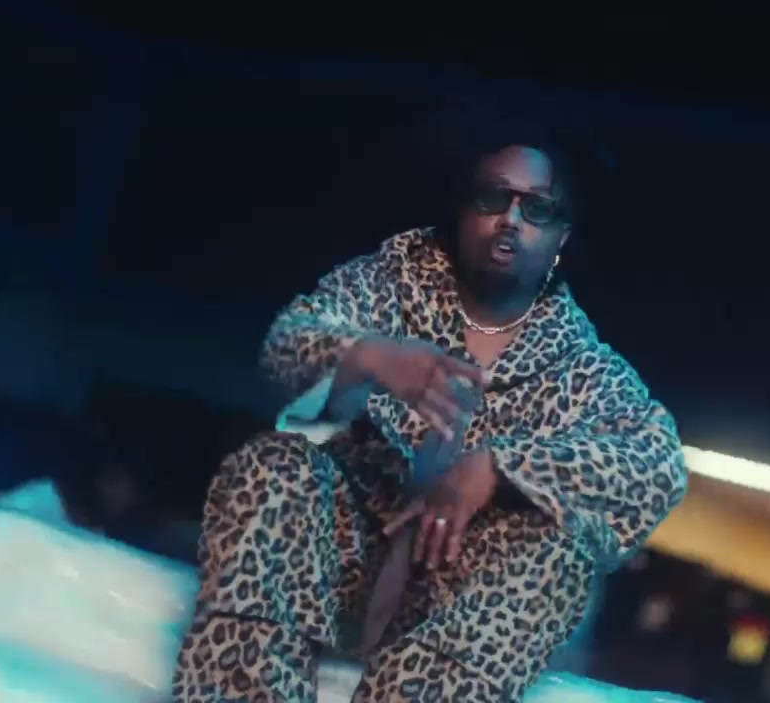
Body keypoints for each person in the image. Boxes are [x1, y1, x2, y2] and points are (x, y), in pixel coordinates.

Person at [173, 122, 688, 702]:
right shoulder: (391, 280)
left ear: (559, 237)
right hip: (334, 562)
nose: (510, 219)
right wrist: (370, 355)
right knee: (272, 467)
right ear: (465, 211)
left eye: (537, 208)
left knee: (555, 555)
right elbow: (286, 342)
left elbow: (659, 466)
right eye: (494, 197)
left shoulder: (583, 367)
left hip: (454, 611)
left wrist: (499, 467)